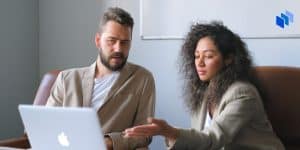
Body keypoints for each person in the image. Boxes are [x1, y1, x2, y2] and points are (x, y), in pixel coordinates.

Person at [124, 22, 284, 149]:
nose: (199, 63)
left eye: (208, 56)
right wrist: (168, 135)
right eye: (196, 56)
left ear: (228, 59)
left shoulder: (242, 93)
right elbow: (200, 141)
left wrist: (170, 131)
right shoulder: (204, 93)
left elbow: (214, 138)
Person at [46, 7, 155, 150]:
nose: (118, 49)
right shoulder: (67, 79)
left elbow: (144, 134)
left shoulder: (142, 79)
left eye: (125, 42)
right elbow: (47, 124)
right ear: (98, 41)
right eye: (112, 41)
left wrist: (110, 143)